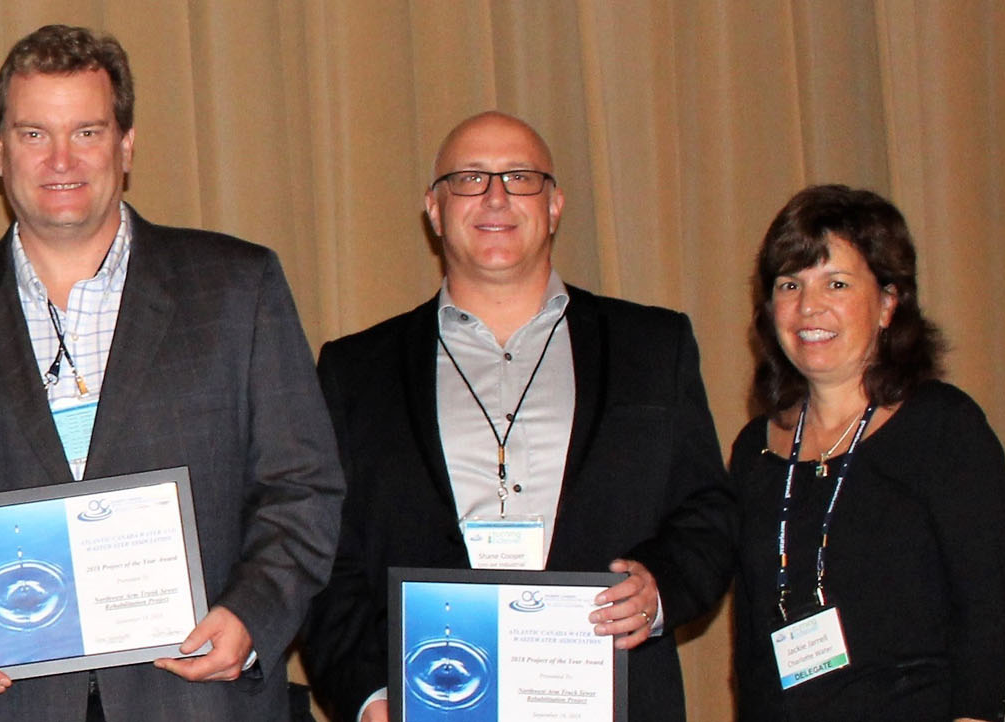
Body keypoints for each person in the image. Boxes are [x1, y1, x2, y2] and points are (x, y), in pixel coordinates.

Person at [0, 24, 344, 721]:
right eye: (34, 134)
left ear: (126, 145)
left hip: (197, 697)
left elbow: (303, 487)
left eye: (87, 132)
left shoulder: (235, 288)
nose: (61, 159)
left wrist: (252, 616)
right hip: (8, 702)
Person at [298, 111, 737, 722]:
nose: (496, 197)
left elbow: (707, 514)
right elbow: (321, 552)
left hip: (612, 696)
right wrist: (370, 694)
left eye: (520, 178)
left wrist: (660, 589)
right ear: (434, 209)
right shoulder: (355, 370)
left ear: (554, 206)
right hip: (434, 702)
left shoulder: (653, 347)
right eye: (469, 178)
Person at [727, 184, 1005, 722]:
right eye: (790, 285)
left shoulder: (942, 427)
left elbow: (989, 608)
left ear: (887, 303)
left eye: (836, 283)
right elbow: (750, 645)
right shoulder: (754, 451)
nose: (808, 306)